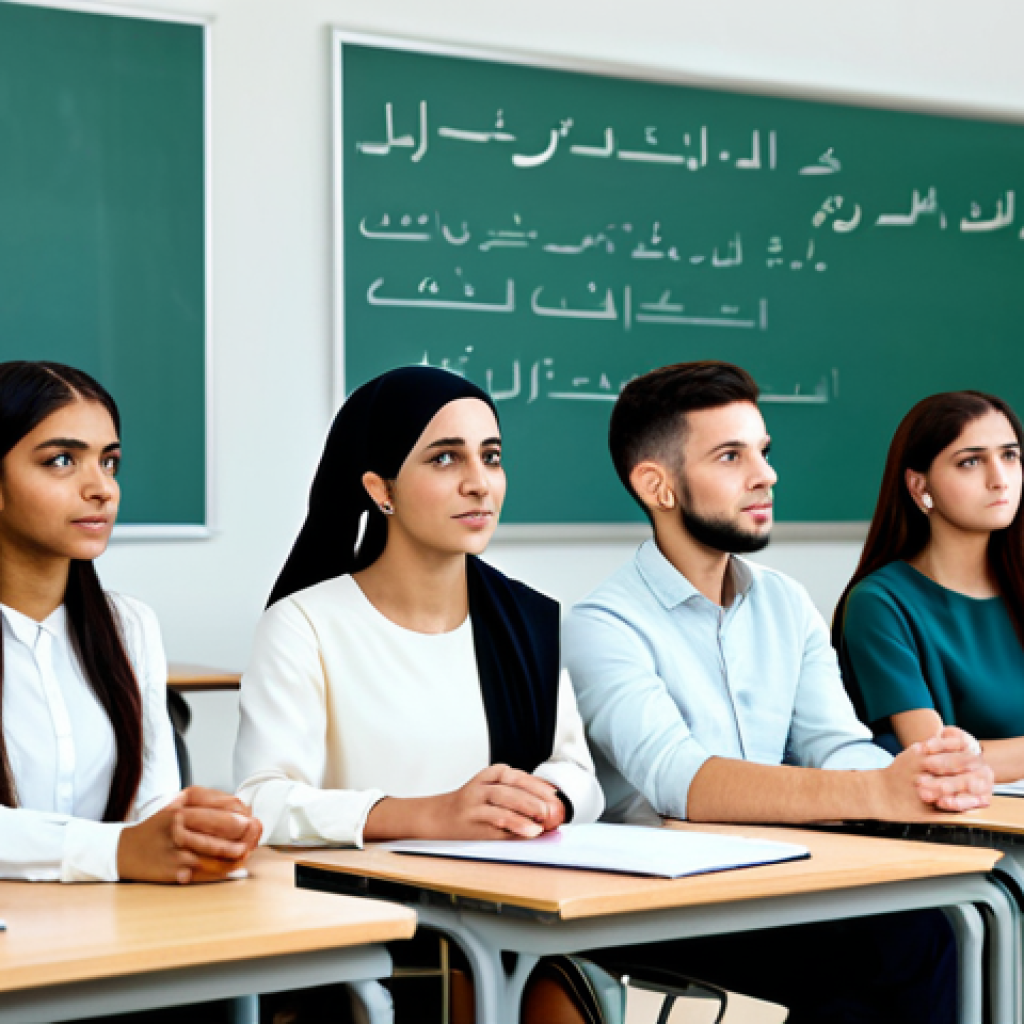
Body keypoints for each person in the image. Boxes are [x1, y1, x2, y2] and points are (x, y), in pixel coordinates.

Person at [564, 361, 993, 1024]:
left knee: (965, 925)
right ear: (658, 485)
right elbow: (683, 780)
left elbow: (836, 744)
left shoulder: (785, 603)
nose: (766, 475)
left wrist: (920, 775)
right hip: (669, 906)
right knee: (914, 943)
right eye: (731, 456)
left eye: (762, 452)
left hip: (790, 879)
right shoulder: (600, 626)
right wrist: (876, 791)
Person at [234, 364, 602, 850]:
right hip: (362, 909)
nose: (479, 484)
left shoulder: (528, 621)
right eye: (446, 458)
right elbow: (263, 802)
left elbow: (577, 774)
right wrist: (432, 814)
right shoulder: (304, 625)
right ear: (380, 490)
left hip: (514, 900)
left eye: (490, 457)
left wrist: (548, 801)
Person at [0, 360, 261, 884]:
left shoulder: (129, 626)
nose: (101, 488)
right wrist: (118, 850)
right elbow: (126, 845)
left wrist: (197, 834)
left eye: (109, 462)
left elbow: (152, 810)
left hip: (111, 927)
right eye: (60, 461)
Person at [834, 390, 1024, 781]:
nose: (999, 479)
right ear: (920, 487)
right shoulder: (880, 603)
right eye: (971, 462)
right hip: (964, 830)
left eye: (1009, 455)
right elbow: (935, 758)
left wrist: (988, 755)